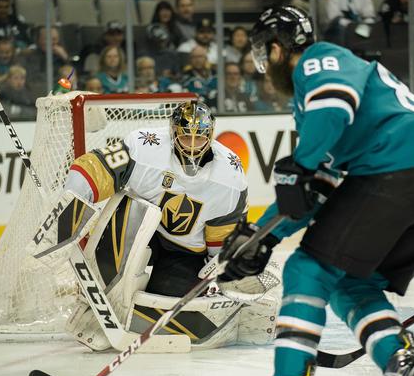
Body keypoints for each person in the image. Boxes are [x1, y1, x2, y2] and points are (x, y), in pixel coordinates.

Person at [218, 6, 414, 376]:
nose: (265, 69)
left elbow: (331, 112)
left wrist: (301, 163)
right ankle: (401, 368)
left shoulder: (318, 61)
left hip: (397, 169)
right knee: (348, 281)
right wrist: (260, 237)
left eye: (265, 55)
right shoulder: (322, 109)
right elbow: (316, 188)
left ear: (279, 49)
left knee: (307, 269)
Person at [62, 101, 278, 351]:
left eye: (200, 138)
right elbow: (95, 167)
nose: (193, 146)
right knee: (125, 216)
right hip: (140, 230)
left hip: (185, 252)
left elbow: (223, 235)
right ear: (174, 133)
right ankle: (98, 305)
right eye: (187, 137)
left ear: (210, 136)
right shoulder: (145, 146)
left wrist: (218, 271)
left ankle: (124, 313)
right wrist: (71, 204)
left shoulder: (229, 176)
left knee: (165, 298)